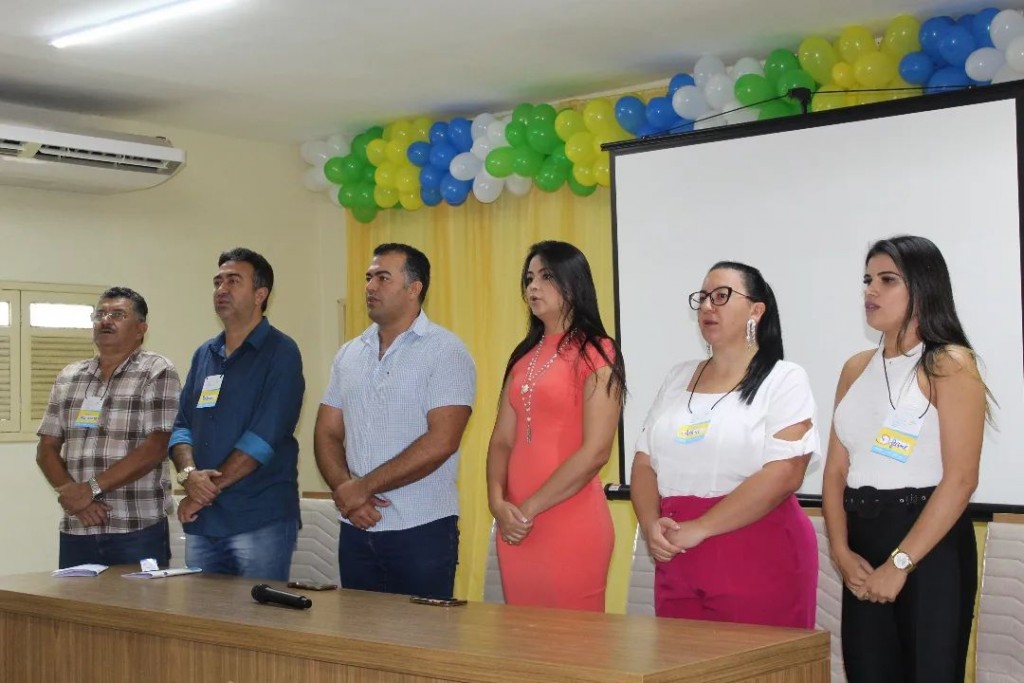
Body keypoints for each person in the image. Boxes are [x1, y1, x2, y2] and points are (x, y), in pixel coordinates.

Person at [822, 235, 989, 683]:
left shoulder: (949, 363)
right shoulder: (856, 367)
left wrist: (900, 564)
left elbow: (961, 479)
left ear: (923, 287)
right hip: (862, 544)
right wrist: (841, 551)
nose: (871, 291)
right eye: (867, 280)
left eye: (887, 280)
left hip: (928, 545)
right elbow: (835, 471)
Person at [630, 261, 819, 627]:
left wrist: (702, 527)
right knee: (681, 658)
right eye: (702, 297)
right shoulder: (677, 377)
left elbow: (786, 472)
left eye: (720, 296)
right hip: (676, 549)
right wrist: (651, 524)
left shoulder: (784, 379)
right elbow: (643, 462)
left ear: (756, 310)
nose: (706, 306)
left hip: (757, 548)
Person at [314, 243, 475, 599]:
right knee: (359, 631)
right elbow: (326, 432)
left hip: (421, 529)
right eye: (368, 277)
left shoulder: (446, 351)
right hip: (356, 527)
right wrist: (347, 490)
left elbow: (442, 440)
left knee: (421, 633)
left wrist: (362, 487)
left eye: (383, 278)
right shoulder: (349, 353)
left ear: (414, 289)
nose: (370, 287)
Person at [486, 240, 625, 611]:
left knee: (574, 641)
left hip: (570, 524)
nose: (533, 286)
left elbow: (596, 452)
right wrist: (497, 503)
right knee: (523, 637)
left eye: (546, 276)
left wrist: (528, 508)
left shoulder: (598, 351)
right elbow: (501, 441)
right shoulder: (522, 357)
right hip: (516, 527)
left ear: (573, 284)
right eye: (529, 278)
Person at [169, 248, 304, 581]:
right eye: (217, 282)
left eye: (233, 281)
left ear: (260, 294)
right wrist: (189, 475)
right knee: (203, 613)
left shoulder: (282, 352)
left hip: (258, 516)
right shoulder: (205, 354)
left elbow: (264, 436)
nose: (221, 289)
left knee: (258, 612)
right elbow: (182, 427)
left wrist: (204, 491)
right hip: (205, 519)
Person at [36, 287, 181, 568]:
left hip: (137, 528)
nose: (105, 320)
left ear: (141, 329)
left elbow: (157, 446)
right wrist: (72, 493)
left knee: (139, 599)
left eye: (118, 314)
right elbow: (46, 448)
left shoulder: (157, 370)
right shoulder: (69, 376)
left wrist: (90, 489)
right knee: (76, 599)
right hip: (79, 526)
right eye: (100, 314)